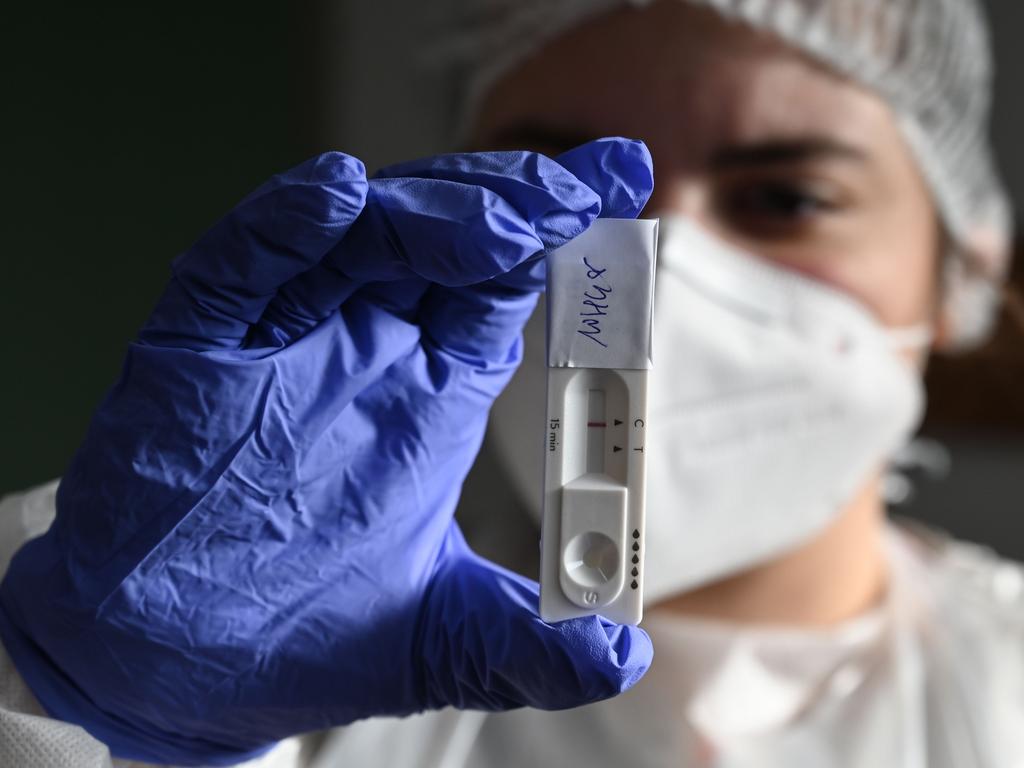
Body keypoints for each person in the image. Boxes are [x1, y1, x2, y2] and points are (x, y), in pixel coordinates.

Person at [0, 1, 1017, 767]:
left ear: (960, 274)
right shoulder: (270, 678)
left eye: (786, 198)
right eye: (565, 187)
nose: (654, 269)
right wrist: (101, 719)